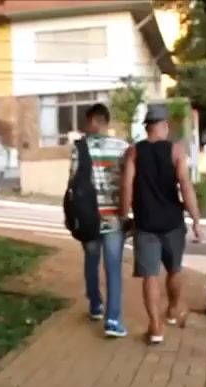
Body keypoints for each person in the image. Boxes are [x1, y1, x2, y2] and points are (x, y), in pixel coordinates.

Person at [120, 104, 202, 344]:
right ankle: (173, 308)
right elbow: (185, 185)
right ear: (164, 126)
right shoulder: (176, 151)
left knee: (150, 275)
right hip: (172, 222)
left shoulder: (134, 152)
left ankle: (155, 327)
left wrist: (124, 214)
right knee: (175, 269)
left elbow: (126, 185)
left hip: (145, 222)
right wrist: (196, 220)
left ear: (147, 128)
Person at [68, 103, 130, 338]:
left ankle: (95, 304)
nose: (85, 126)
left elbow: (73, 182)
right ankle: (113, 320)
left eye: (87, 121)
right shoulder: (123, 148)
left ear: (94, 120)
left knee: (91, 259)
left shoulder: (79, 148)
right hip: (113, 216)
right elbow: (128, 180)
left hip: (89, 216)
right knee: (113, 267)